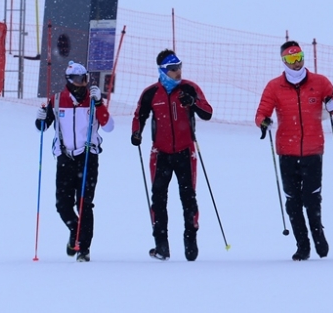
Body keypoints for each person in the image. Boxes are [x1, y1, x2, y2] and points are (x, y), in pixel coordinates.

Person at [255, 40, 333, 261]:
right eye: (291, 60)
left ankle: (318, 236)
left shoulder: (319, 82)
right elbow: (261, 112)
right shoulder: (274, 86)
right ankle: (302, 244)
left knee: (312, 198)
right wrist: (263, 121)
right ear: (284, 61)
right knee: (293, 201)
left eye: (299, 58)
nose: (296, 64)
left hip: (313, 150)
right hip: (287, 151)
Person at [131, 49, 213, 261]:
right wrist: (136, 133)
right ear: (162, 71)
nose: (178, 72)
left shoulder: (189, 88)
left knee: (188, 197)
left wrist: (192, 103)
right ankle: (161, 245)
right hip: (160, 154)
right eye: (173, 69)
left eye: (179, 68)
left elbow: (207, 113)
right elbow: (139, 115)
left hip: (185, 152)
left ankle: (190, 240)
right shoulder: (151, 93)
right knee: (158, 199)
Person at [34, 61, 114, 262]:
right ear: (69, 81)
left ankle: (83, 249)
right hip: (65, 157)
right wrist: (40, 118)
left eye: (85, 79)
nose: (82, 84)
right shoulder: (58, 100)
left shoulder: (93, 100)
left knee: (85, 203)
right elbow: (43, 127)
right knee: (63, 205)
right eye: (78, 80)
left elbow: (109, 126)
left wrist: (99, 104)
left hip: (88, 156)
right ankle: (75, 230)